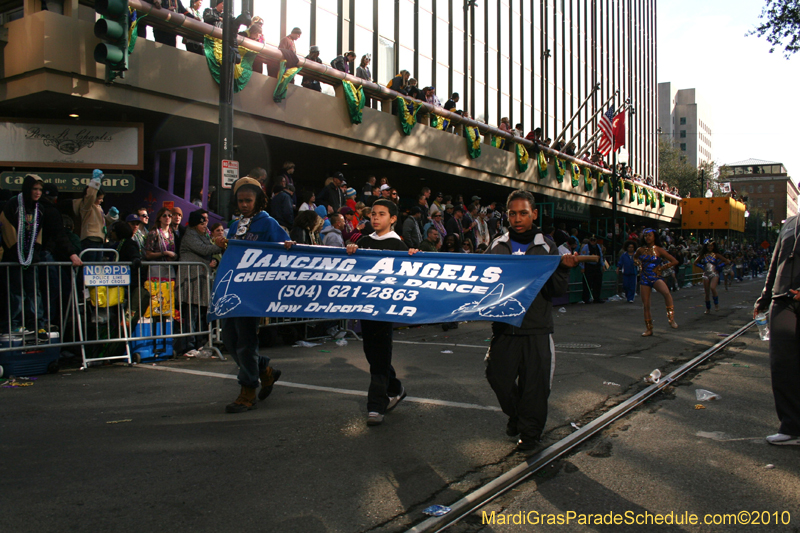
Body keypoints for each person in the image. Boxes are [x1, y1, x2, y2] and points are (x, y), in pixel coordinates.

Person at [484, 190, 579, 452]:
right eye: (512, 213)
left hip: (537, 330)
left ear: (534, 214)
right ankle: (518, 417)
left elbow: (556, 291)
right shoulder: (496, 245)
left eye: (523, 213)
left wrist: (563, 268)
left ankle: (530, 433)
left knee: (534, 388)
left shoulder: (546, 246)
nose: (517, 218)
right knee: (497, 377)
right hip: (504, 329)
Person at [344, 199, 418, 426]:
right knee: (372, 353)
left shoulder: (398, 245)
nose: (375, 218)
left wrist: (414, 257)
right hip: (366, 307)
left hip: (384, 310)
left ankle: (376, 406)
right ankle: (395, 388)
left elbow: (410, 275)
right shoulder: (364, 240)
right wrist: (351, 251)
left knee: (380, 356)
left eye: (382, 214)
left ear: (393, 219)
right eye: (373, 214)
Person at [222, 178, 292, 413]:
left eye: (248, 200)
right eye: (240, 200)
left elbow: (284, 247)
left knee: (246, 342)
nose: (243, 204)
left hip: (253, 293)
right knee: (230, 339)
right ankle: (264, 369)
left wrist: (287, 245)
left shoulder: (268, 222)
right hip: (232, 291)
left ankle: (248, 390)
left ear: (258, 201)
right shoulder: (235, 225)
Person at [0, 175, 82, 334]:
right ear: (27, 189)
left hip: (31, 257)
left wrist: (34, 251)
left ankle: (36, 324)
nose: (37, 192)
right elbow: (7, 227)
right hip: (14, 258)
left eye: (40, 190)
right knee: (16, 293)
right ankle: (13, 324)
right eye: (34, 189)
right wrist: (16, 251)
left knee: (34, 292)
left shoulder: (40, 209)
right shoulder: (13, 205)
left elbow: (39, 232)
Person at [754, 215, 800, 445]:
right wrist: (764, 297)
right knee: (782, 364)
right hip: (783, 300)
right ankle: (791, 427)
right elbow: (775, 262)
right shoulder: (790, 224)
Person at [177, 209, 223, 356]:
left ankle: (200, 343)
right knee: (191, 314)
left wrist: (214, 260)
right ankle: (188, 346)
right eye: (203, 221)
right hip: (190, 280)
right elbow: (203, 249)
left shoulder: (204, 235)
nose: (205, 223)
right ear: (196, 222)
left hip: (201, 280)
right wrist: (220, 245)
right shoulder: (190, 235)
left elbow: (208, 253)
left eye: (207, 220)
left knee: (201, 313)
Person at [634, 229, 679, 336]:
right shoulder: (640, 250)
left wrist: (662, 268)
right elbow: (635, 258)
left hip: (656, 277)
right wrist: (638, 264)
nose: (647, 238)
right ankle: (649, 329)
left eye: (650, 235)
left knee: (666, 293)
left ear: (654, 237)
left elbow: (674, 261)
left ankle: (671, 319)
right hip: (644, 278)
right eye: (645, 236)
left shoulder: (659, 250)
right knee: (646, 305)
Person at [74, 169, 118, 262]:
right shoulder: (86, 206)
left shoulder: (98, 207)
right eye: (99, 198)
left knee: (96, 268)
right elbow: (90, 196)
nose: (101, 200)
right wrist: (95, 182)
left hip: (99, 240)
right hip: (89, 240)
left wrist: (111, 216)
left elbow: (103, 222)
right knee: (89, 267)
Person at [695, 240, 730, 314]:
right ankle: (708, 308)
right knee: (707, 293)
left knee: (712, 287)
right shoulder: (703, 255)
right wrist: (702, 266)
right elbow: (695, 262)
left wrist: (719, 266)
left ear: (714, 246)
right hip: (706, 274)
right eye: (708, 246)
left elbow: (727, 261)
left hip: (714, 273)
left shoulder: (716, 254)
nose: (710, 247)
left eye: (711, 246)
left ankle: (716, 304)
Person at [580, 235, 605, 304]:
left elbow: (601, 256)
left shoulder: (598, 247)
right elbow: (582, 257)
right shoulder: (586, 247)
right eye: (591, 240)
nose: (592, 241)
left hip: (597, 266)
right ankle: (586, 298)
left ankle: (596, 297)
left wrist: (602, 265)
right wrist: (582, 267)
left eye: (594, 240)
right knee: (588, 283)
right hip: (589, 266)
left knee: (598, 282)